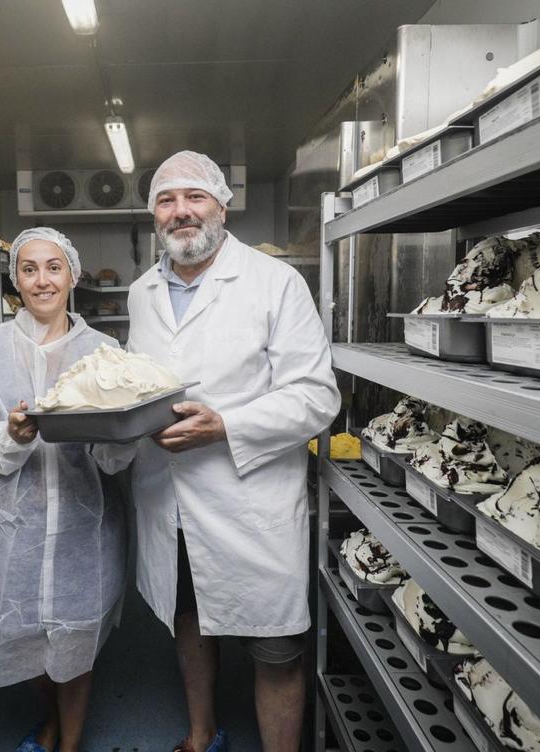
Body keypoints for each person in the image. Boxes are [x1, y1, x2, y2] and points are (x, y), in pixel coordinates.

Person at [97, 150, 340, 752]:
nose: (181, 212)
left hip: (249, 502)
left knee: (275, 648)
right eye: (166, 200)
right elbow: (142, 381)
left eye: (194, 197)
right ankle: (201, 733)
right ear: (154, 214)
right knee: (188, 620)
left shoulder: (273, 282)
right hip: (168, 497)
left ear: (222, 207)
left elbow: (316, 396)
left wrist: (226, 425)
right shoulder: (143, 291)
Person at [0, 227, 126, 752]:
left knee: (73, 635)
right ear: (15, 281)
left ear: (73, 274)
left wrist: (116, 432)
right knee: (21, 635)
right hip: (5, 524)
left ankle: (69, 741)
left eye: (53, 267)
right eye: (28, 269)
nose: (42, 280)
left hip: (81, 521)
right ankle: (51, 718)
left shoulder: (104, 352)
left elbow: (117, 454)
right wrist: (9, 435)